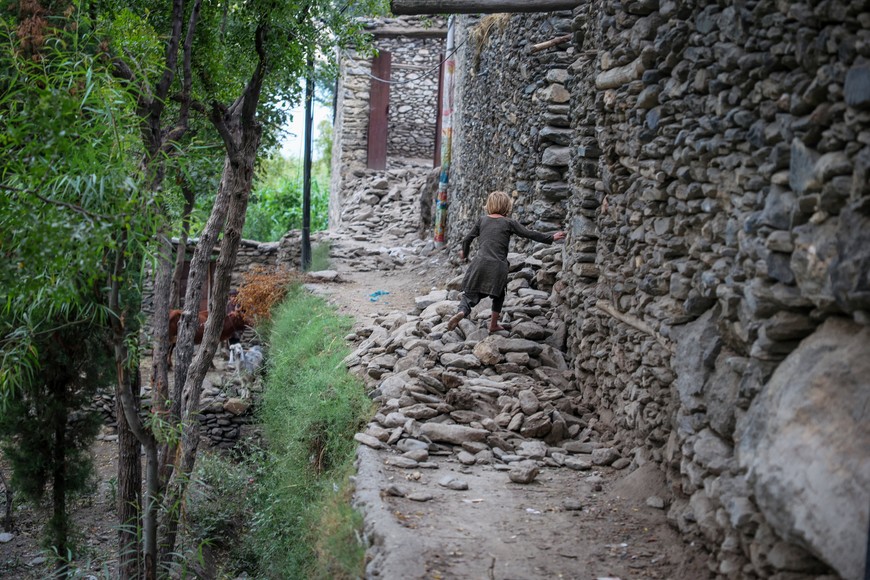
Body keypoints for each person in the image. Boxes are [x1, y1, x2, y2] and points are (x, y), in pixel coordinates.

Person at [447, 191, 566, 333]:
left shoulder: (482, 220)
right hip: (499, 266)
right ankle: (493, 324)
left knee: (469, 295)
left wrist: (465, 254)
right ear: (506, 206)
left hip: (479, 263)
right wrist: (550, 238)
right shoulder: (509, 222)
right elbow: (529, 233)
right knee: (499, 295)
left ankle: (462, 312)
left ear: (489, 205)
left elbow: (467, 239)